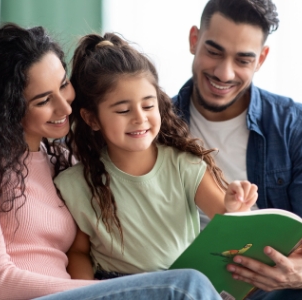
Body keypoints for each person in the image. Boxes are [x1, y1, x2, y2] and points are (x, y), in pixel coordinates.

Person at [0, 23, 223, 300]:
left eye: (63, 84)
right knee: (184, 286)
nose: (65, 107)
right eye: (43, 101)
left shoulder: (61, 161)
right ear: (7, 107)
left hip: (76, 293)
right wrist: (106, 290)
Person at [171, 0, 302, 299]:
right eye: (214, 52)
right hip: (184, 286)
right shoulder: (154, 126)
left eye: (243, 60)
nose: (224, 73)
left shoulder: (299, 127)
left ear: (261, 58)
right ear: (194, 40)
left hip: (278, 287)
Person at [54, 32, 258, 280]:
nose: (140, 118)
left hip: (182, 285)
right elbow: (78, 252)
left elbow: (228, 224)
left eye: (149, 106)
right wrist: (87, 293)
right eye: (124, 110)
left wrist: (235, 208)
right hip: (118, 287)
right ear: (92, 118)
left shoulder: (184, 165)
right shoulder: (76, 185)